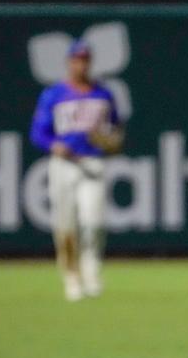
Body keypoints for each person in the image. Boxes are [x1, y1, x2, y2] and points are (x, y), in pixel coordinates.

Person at [29, 39, 124, 301]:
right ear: (69, 62)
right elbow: (37, 133)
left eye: (85, 59)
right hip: (64, 164)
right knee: (65, 226)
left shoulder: (103, 95)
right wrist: (53, 144)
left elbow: (116, 132)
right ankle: (71, 275)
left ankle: (91, 272)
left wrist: (111, 141)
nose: (81, 64)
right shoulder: (54, 95)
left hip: (93, 163)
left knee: (94, 222)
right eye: (77, 59)